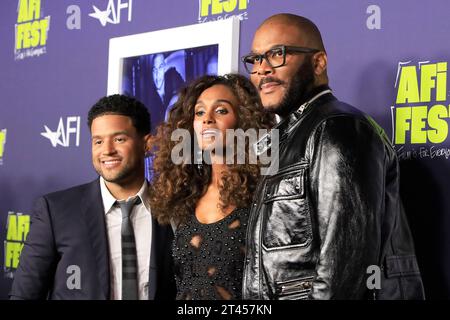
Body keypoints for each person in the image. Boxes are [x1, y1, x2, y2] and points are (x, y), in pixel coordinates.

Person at [240, 13, 425, 300]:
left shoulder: (338, 127)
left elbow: (345, 268)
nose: (262, 69)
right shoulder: (285, 139)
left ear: (318, 62)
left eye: (277, 54)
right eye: (255, 59)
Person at [10, 94, 175, 300]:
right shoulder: (55, 211)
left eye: (119, 139)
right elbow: (25, 294)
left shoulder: (173, 210)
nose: (107, 150)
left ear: (146, 144)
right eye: (98, 141)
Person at [148, 74, 274, 300]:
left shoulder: (266, 192)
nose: (207, 119)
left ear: (244, 121)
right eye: (199, 112)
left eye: (221, 110)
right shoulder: (183, 195)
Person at [151, 53, 185, 123]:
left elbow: (186, 92)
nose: (157, 76)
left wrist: (174, 98)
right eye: (154, 70)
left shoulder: (173, 75)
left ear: (164, 68)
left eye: (160, 67)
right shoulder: (149, 95)